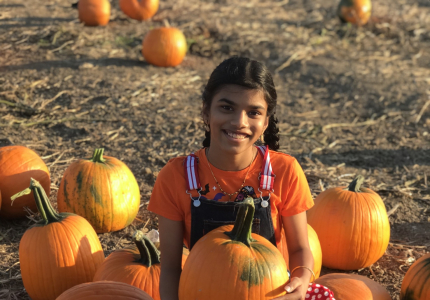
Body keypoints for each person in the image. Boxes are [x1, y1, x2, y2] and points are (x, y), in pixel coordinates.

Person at [148, 56, 315, 300]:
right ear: (206, 111)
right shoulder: (176, 177)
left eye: (253, 112)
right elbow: (171, 268)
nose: (239, 122)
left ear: (266, 121)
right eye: (227, 108)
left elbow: (300, 249)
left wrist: (301, 280)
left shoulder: (285, 171)